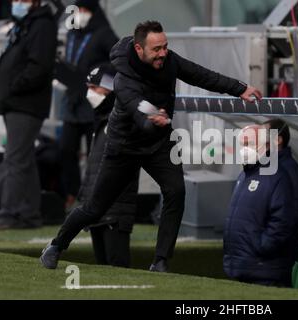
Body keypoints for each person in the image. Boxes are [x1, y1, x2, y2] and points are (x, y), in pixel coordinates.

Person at [40, 20, 262, 271]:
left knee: (176, 191)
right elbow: (137, 109)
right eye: (156, 49)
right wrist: (152, 118)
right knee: (94, 208)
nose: (162, 54)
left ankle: (161, 261)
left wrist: (240, 88)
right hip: (124, 145)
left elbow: (202, 75)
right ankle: (57, 246)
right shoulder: (122, 78)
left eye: (165, 47)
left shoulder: (170, 61)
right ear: (138, 49)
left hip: (159, 142)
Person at [0, 0, 57, 229]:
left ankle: (8, 214)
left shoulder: (41, 25)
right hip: (17, 103)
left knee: (14, 160)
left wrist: (13, 87)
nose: (16, 3)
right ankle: (29, 213)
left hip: (25, 103)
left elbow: (39, 66)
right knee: (24, 159)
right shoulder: (26, 24)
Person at [56, 0, 118, 210]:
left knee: (95, 152)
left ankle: (92, 197)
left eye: (84, 10)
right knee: (66, 149)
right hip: (72, 101)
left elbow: (119, 60)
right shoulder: (74, 33)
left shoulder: (103, 32)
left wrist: (101, 77)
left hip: (93, 103)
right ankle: (72, 192)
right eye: (78, 10)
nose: (80, 14)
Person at [223, 124, 298, 287]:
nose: (244, 149)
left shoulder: (277, 176)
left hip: (264, 269)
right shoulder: (244, 174)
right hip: (244, 266)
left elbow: (283, 221)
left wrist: (262, 247)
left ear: (266, 145)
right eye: (243, 144)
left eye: (250, 144)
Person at [78, 65, 139, 268]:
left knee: (117, 268)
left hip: (115, 212)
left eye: (95, 88)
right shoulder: (101, 121)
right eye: (88, 87)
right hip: (97, 211)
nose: (90, 93)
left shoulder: (123, 120)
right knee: (103, 269)